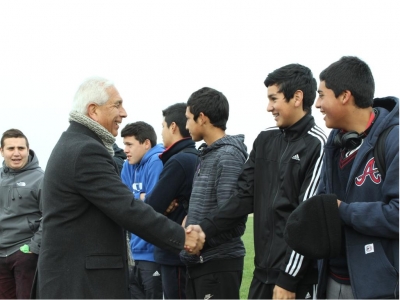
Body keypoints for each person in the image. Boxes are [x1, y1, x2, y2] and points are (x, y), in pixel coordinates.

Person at [32, 76, 204, 299]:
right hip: (79, 284)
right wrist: (182, 237)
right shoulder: (86, 151)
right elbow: (127, 208)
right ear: (93, 110)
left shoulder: (76, 143)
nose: (124, 113)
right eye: (117, 105)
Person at [188, 64, 327, 299]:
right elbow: (243, 197)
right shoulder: (265, 139)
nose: (268, 107)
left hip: (295, 280)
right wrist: (205, 228)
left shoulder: (317, 144)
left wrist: (288, 279)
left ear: (297, 97)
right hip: (261, 274)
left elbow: (308, 219)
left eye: (274, 99)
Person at [314, 56, 399, 299]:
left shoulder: (394, 140)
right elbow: (323, 199)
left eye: (322, 95)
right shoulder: (335, 142)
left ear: (344, 96)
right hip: (330, 280)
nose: (317, 104)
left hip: (377, 287)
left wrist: (343, 210)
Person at [180, 87, 248, 299]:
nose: (186, 125)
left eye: (188, 118)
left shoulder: (228, 156)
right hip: (200, 262)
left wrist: (200, 241)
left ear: (202, 118)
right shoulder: (207, 154)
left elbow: (233, 217)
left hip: (218, 263)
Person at [144, 103, 199, 299]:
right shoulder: (194, 156)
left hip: (174, 253)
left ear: (173, 126)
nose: (161, 132)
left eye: (162, 126)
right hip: (187, 250)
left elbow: (151, 206)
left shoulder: (178, 161)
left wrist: (146, 199)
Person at [120, 121, 165, 299]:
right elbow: (122, 204)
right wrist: (141, 196)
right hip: (133, 253)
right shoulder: (127, 165)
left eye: (129, 144)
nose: (125, 149)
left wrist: (134, 197)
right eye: (124, 144)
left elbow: (155, 206)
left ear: (146, 143)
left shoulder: (157, 161)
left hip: (153, 254)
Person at [0, 129, 44, 299]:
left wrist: (33, 248)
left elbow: (51, 216)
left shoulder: (41, 179)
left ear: (28, 149)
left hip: (25, 253)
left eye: (21, 148)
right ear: (1, 151)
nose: (17, 153)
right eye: (11, 149)